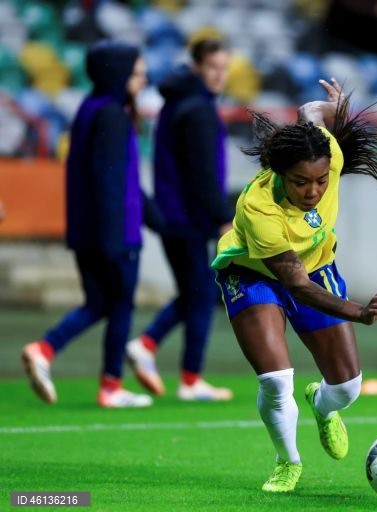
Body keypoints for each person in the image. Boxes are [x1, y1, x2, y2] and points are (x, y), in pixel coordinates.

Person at [213, 78, 377, 493]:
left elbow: (309, 117)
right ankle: (287, 462)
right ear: (280, 172)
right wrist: (358, 310)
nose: (314, 190)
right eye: (301, 181)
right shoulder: (259, 207)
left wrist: (331, 107)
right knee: (276, 380)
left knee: (348, 387)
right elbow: (294, 284)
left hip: (317, 268)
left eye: (320, 180)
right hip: (254, 273)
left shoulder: (327, 154)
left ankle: (322, 405)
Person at [21, 41, 155, 408]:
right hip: (114, 232)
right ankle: (111, 385)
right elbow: (110, 181)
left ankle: (45, 348)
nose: (143, 80)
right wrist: (114, 238)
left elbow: (119, 178)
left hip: (87, 230)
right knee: (121, 303)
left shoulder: (89, 108)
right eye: (137, 73)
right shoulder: (112, 114)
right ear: (118, 73)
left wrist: (156, 219)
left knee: (98, 302)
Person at [126, 38, 234, 401]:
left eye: (224, 68)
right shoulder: (198, 109)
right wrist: (223, 217)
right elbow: (202, 173)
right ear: (197, 67)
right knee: (201, 294)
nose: (220, 76)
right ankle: (188, 378)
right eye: (213, 68)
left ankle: (148, 345)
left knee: (194, 291)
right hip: (187, 216)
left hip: (174, 213)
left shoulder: (177, 103)